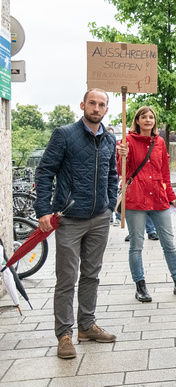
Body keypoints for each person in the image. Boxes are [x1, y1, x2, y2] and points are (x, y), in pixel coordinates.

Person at [34, 88, 118, 359]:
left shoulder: (109, 139)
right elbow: (45, 171)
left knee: (92, 275)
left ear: (106, 109)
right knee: (67, 278)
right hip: (69, 218)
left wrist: (110, 202)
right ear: (83, 105)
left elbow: (112, 174)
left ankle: (86, 326)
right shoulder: (65, 134)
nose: (96, 108)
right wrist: (43, 210)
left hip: (99, 218)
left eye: (101, 104)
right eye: (92, 103)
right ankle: (64, 335)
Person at [117, 106, 176, 303]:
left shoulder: (159, 142)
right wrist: (121, 156)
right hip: (136, 198)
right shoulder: (128, 141)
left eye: (151, 117)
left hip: (158, 197)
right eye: (144, 117)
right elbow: (121, 172)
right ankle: (140, 286)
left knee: (169, 244)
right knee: (136, 245)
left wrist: (171, 196)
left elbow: (164, 172)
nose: (148, 120)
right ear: (137, 121)